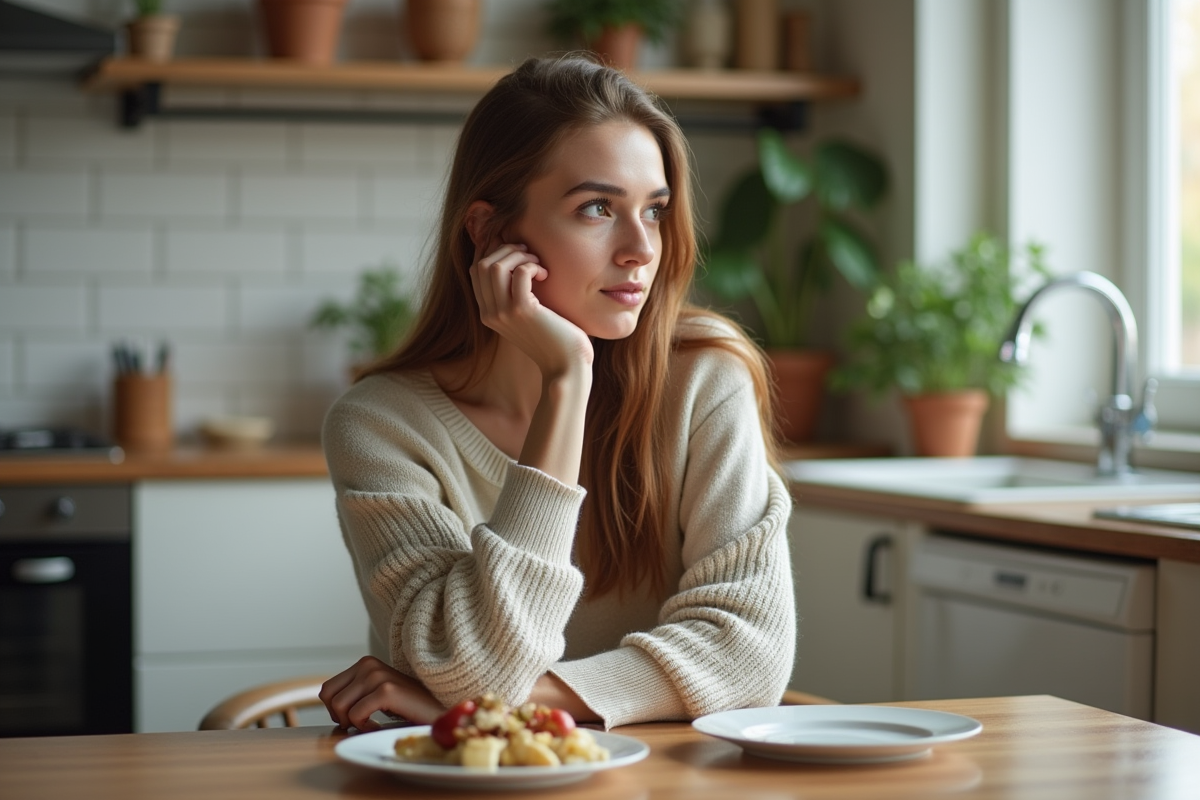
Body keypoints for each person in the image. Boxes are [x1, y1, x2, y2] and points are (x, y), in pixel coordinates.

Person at [318, 55, 795, 732]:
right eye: (597, 208)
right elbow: (476, 666)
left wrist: (513, 705)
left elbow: (751, 655)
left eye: (654, 211)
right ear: (489, 230)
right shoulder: (382, 425)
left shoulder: (704, 380)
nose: (640, 249)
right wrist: (567, 379)